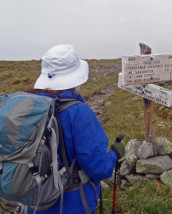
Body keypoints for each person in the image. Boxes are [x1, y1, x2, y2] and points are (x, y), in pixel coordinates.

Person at [31, 44, 125, 214]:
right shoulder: (79, 112)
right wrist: (115, 154)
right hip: (69, 204)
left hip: (32, 201)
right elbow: (99, 168)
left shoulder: (30, 108)